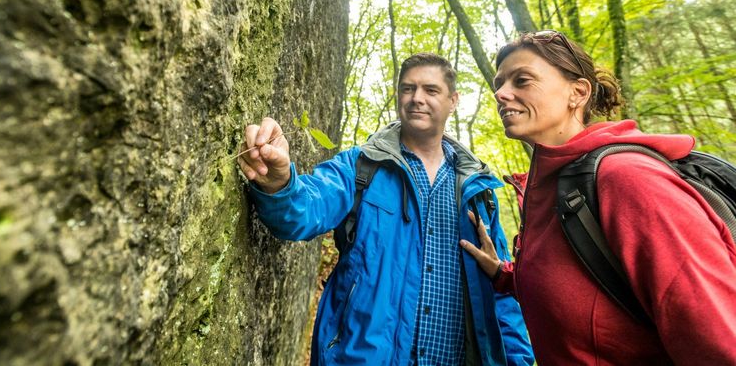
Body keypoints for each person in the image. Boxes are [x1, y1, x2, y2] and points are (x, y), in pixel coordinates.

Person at [460, 31, 736, 365]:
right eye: (499, 83)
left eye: (522, 80)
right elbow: (581, 295)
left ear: (577, 93)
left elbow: (720, 341)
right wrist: (505, 275)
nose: (501, 94)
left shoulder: (627, 181)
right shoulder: (548, 188)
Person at [239, 53, 534, 365]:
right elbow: (305, 209)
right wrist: (279, 180)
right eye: (408, 89)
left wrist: (518, 359)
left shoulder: (478, 191)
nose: (417, 98)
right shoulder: (362, 166)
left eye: (431, 90)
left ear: (453, 100)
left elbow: (500, 292)